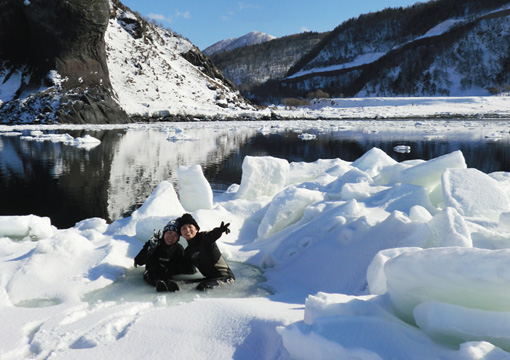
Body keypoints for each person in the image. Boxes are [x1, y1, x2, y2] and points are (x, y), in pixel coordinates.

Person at [177, 213, 235, 291]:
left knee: (202, 287)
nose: (187, 230)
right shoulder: (188, 251)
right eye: (183, 228)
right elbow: (188, 269)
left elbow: (212, 235)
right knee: (182, 283)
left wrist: (219, 231)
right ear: (181, 233)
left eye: (190, 227)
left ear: (196, 229)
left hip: (225, 277)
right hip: (209, 279)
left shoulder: (204, 238)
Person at [134, 219, 188, 292]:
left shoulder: (178, 248)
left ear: (178, 238)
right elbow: (138, 261)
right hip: (151, 273)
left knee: (167, 275)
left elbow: (184, 267)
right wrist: (150, 250)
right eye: (170, 233)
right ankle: (159, 284)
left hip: (168, 273)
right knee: (153, 274)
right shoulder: (154, 243)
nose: (171, 237)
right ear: (164, 233)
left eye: (175, 235)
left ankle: (169, 284)